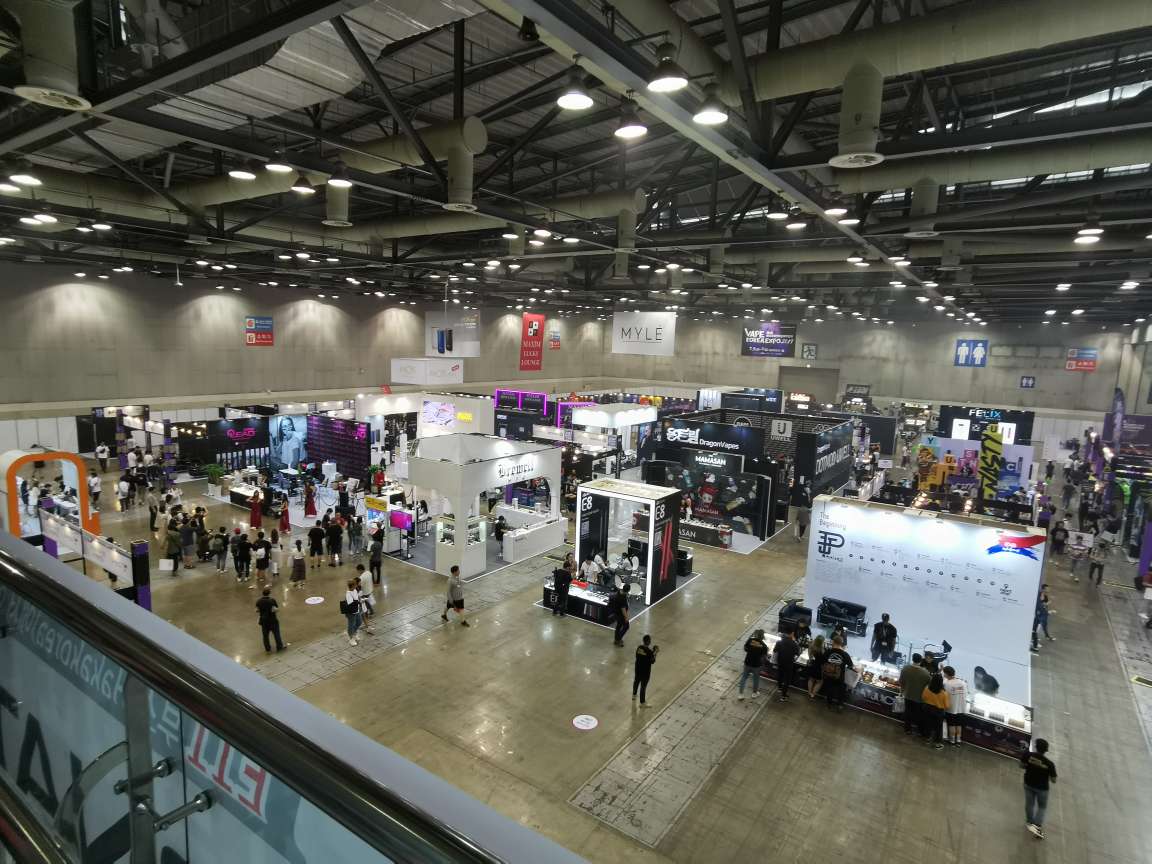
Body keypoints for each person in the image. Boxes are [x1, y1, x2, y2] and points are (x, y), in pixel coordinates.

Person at [1021, 738, 1057, 839]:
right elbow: (1053, 780)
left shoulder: (1028, 755)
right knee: (1042, 807)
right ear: (1046, 750)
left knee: (1029, 804)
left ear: (1036, 747)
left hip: (1028, 784)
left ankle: (1030, 822)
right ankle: (1037, 828)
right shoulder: (1049, 764)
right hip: (1042, 788)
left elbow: (1021, 766)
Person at [899, 653, 931, 736]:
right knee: (919, 714)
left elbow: (901, 681)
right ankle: (920, 731)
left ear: (912, 659)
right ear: (920, 661)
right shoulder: (925, 672)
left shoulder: (905, 668)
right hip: (920, 697)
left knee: (908, 712)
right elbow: (930, 684)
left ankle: (907, 729)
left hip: (908, 695)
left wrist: (902, 691)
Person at [819, 636, 854, 710]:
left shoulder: (828, 652)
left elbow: (822, 661)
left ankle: (829, 704)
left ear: (833, 642)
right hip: (840, 676)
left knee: (829, 689)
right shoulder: (845, 654)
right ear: (841, 643)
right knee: (841, 691)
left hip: (828, 675)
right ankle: (840, 705)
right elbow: (851, 665)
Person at [737, 629, 768, 700]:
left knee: (744, 677)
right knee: (756, 679)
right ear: (762, 636)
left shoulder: (750, 640)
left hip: (747, 662)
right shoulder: (764, 646)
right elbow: (764, 657)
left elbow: (745, 648)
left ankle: (740, 694)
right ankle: (754, 693)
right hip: (756, 665)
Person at [921, 672, 949, 749]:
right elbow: (946, 706)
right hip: (938, 712)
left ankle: (927, 739)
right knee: (938, 728)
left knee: (928, 725)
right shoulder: (944, 693)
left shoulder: (927, 688)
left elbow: (923, 697)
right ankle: (938, 744)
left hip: (927, 709)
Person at [773, 626, 800, 702]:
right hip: (789, 664)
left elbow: (775, 650)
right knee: (787, 680)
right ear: (792, 633)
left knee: (780, 675)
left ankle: (779, 688)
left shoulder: (779, 642)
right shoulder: (794, 644)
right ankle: (783, 696)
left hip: (780, 662)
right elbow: (798, 653)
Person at [942, 666, 968, 746]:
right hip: (962, 708)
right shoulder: (963, 683)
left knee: (952, 725)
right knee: (959, 725)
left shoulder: (947, 684)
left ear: (946, 674)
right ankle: (958, 740)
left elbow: (945, 695)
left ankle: (952, 741)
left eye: (944, 673)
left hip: (951, 708)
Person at [255, 587, 285, 652]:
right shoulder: (272, 600)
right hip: (272, 620)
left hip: (264, 621)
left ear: (262, 593)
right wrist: (277, 610)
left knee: (265, 636)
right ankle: (279, 647)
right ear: (269, 593)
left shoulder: (259, 601)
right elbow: (274, 609)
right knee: (276, 634)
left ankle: (267, 648)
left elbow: (257, 610)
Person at [632, 635, 658, 706]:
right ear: (648, 641)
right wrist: (655, 652)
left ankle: (634, 695)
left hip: (638, 669)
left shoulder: (639, 648)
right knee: (643, 686)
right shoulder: (649, 652)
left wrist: (652, 652)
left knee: (636, 682)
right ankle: (642, 702)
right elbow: (652, 661)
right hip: (645, 672)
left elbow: (640, 656)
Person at [343, 578, 364, 646]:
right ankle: (351, 638)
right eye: (355, 585)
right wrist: (359, 602)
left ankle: (353, 632)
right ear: (352, 586)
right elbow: (351, 604)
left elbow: (357, 598)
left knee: (359, 622)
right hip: (351, 612)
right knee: (351, 624)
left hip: (356, 610)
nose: (356, 586)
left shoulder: (354, 590)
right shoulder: (348, 594)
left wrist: (360, 601)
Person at [806, 634, 826, 700]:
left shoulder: (812, 647)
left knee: (811, 679)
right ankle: (812, 694)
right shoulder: (822, 650)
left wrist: (810, 660)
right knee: (819, 682)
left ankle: (809, 692)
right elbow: (824, 662)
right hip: (819, 667)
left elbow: (810, 657)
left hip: (813, 665)